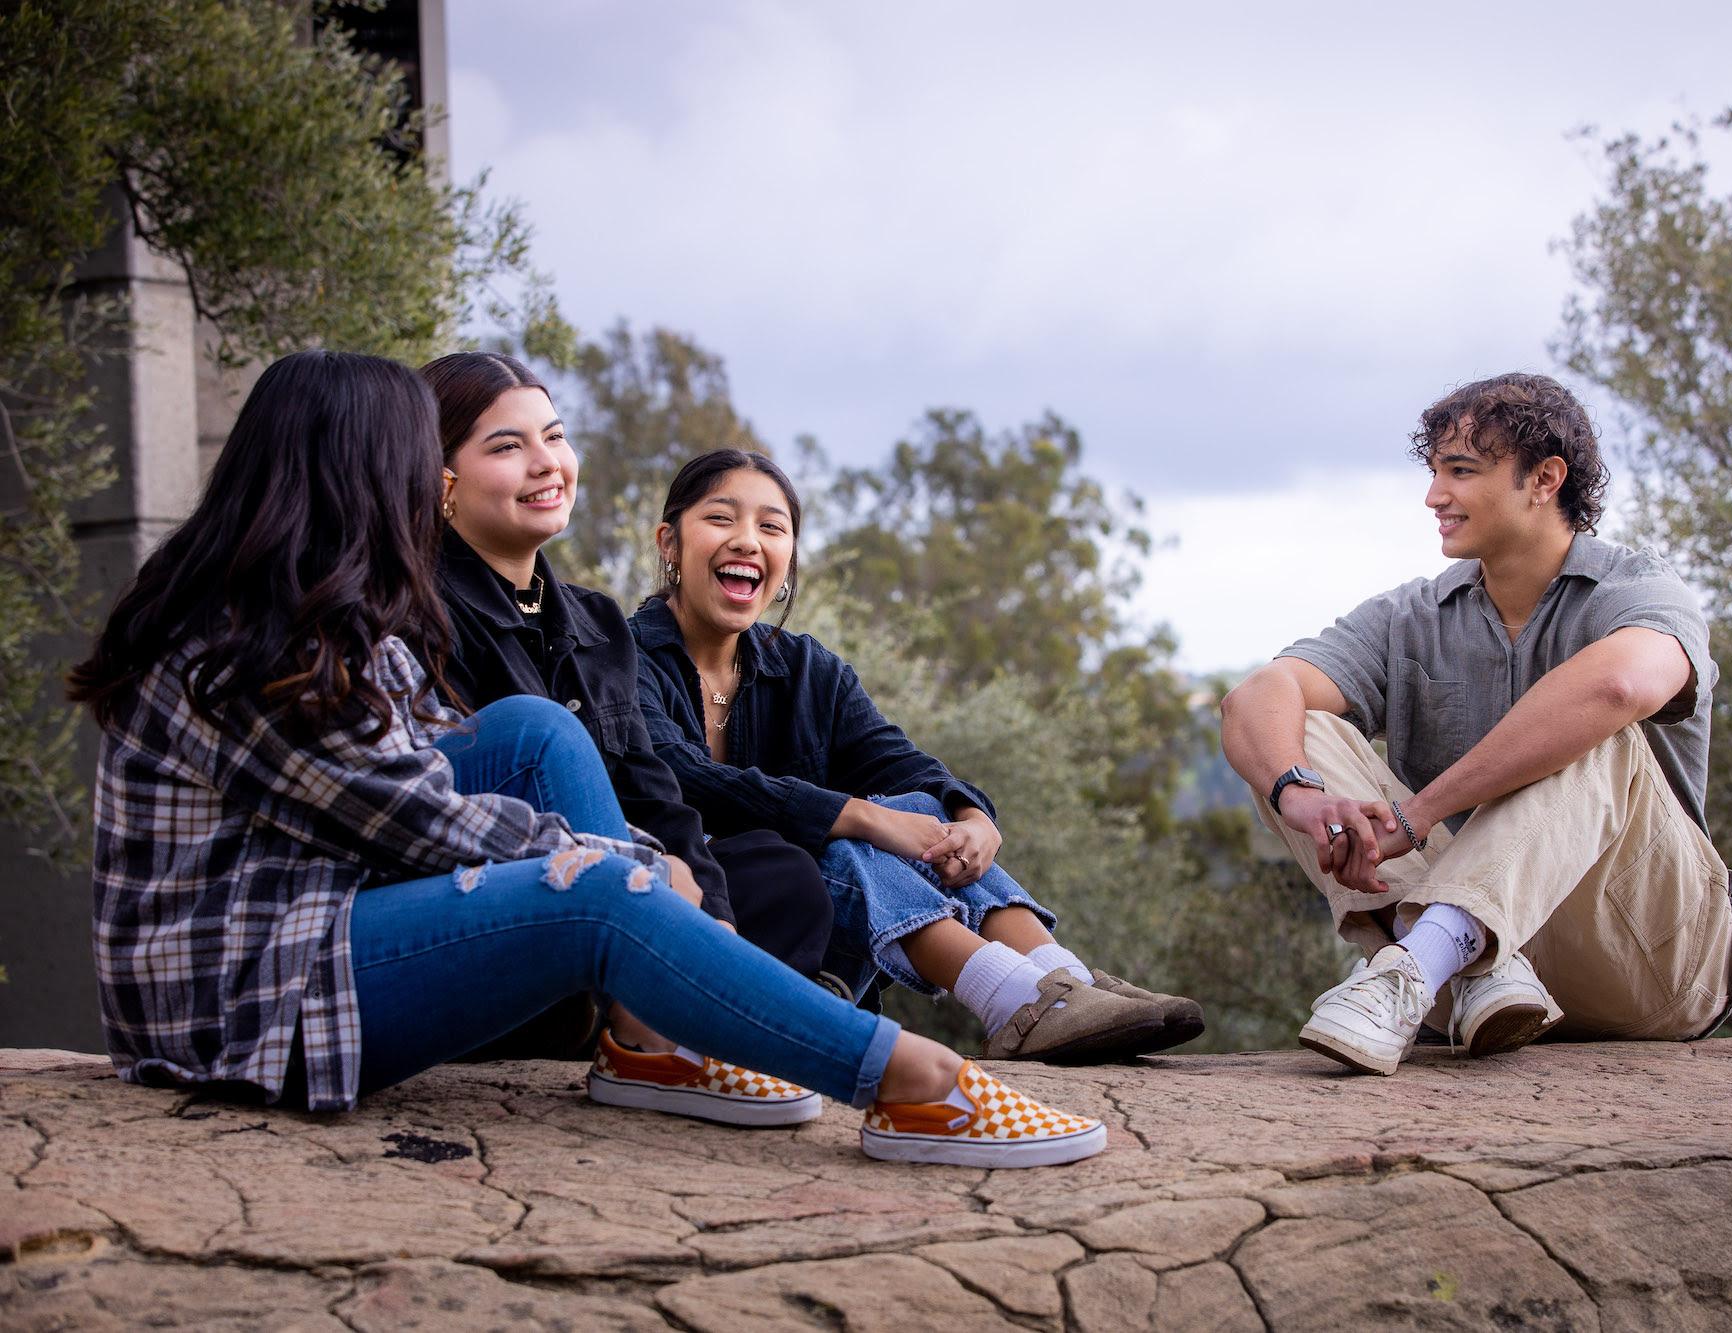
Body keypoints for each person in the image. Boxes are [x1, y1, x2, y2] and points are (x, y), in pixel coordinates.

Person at [66, 348, 1105, 1168]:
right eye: (407, 466)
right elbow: (417, 820)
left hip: (304, 927)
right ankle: (907, 1079)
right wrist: (633, 870)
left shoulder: (312, 613)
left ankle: (651, 1038)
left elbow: (445, 763)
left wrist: (631, 854)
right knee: (600, 893)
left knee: (534, 730)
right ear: (358, 477)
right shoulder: (251, 643)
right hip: (248, 1000)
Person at [1219, 372, 1732, 1076]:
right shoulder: (1410, 616)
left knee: (1599, 722)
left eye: (1461, 471)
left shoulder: (1639, 589)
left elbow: (1623, 682)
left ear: (1544, 479)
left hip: (1648, 958)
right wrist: (1299, 792)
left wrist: (1423, 810)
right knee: (1297, 729)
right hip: (1496, 986)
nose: (1434, 495)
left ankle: (1423, 958)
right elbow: (1259, 694)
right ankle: (1458, 962)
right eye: (1436, 470)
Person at [630, 449, 1204, 1063]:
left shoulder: (805, 670)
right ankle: (1018, 1001)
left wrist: (973, 818)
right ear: (670, 541)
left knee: (914, 804)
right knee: (845, 831)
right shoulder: (621, 653)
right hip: (706, 911)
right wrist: (864, 817)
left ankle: (1062, 982)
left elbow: (899, 761)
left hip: (806, 928)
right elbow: (678, 777)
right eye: (722, 519)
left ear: (789, 558)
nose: (747, 541)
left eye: (771, 528)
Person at [419, 351, 832, 1068]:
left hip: (626, 878)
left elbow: (655, 790)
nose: (547, 463)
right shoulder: (417, 614)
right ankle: (643, 1020)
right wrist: (644, 863)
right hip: (519, 889)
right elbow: (465, 803)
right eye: (508, 446)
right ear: (441, 479)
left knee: (780, 875)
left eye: (554, 436)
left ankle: (666, 1002)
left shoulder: (594, 620)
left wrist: (713, 916)